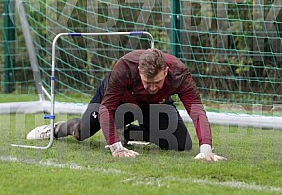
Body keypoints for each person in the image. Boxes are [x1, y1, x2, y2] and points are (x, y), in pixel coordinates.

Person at [27, 48, 226, 161]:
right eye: (147, 82)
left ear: (166, 72)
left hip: (155, 106)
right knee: (82, 132)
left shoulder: (180, 74)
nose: (152, 87)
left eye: (157, 82)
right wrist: (116, 148)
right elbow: (107, 108)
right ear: (139, 70)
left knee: (181, 144)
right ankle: (56, 128)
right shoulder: (124, 67)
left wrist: (206, 148)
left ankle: (127, 134)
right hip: (118, 104)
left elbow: (197, 110)